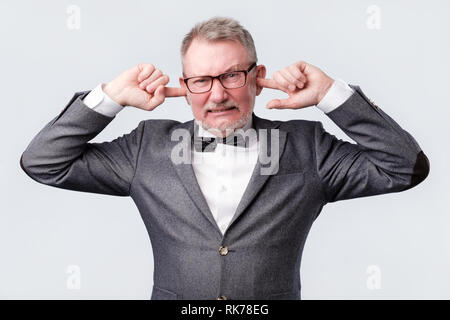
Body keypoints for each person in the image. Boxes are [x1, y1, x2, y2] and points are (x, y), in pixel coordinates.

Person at [20, 17, 429, 300]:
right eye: (201, 80)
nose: (217, 95)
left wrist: (330, 95)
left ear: (257, 76)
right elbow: (43, 162)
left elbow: (405, 167)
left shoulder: (309, 147)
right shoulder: (147, 146)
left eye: (232, 76)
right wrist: (109, 96)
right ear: (185, 85)